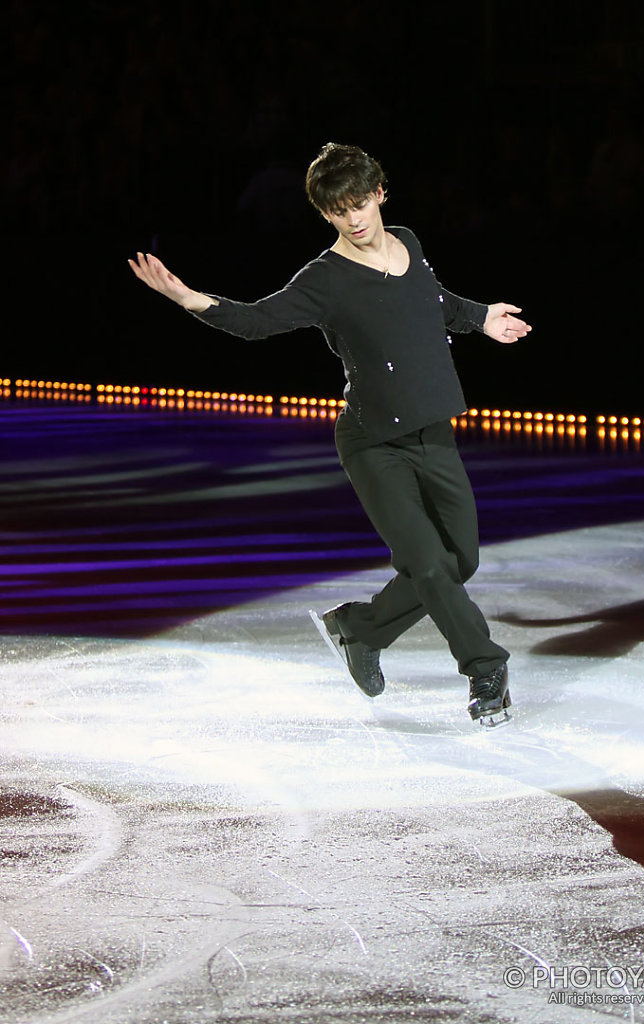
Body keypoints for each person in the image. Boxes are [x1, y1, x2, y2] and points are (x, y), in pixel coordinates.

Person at [129, 142, 531, 726]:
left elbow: (432, 302)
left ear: (380, 193)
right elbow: (258, 320)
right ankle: (484, 668)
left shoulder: (409, 243)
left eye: (361, 202)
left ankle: (359, 629)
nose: (355, 218)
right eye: (340, 210)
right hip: (371, 442)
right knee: (429, 564)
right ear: (325, 214)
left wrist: (479, 316)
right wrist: (189, 298)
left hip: (433, 433)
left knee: (457, 561)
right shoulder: (325, 279)